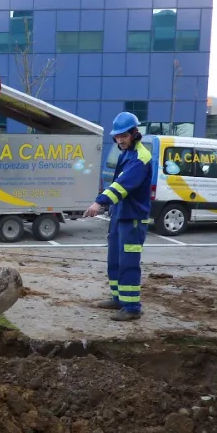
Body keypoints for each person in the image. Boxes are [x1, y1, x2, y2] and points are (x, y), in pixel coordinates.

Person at [83, 112, 153, 321]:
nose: (119, 140)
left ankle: (132, 307)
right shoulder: (127, 153)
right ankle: (118, 298)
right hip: (120, 216)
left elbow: (122, 186)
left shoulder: (141, 157)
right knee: (114, 260)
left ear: (134, 133)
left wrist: (100, 202)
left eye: (123, 136)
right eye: (116, 136)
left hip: (132, 219)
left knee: (128, 263)